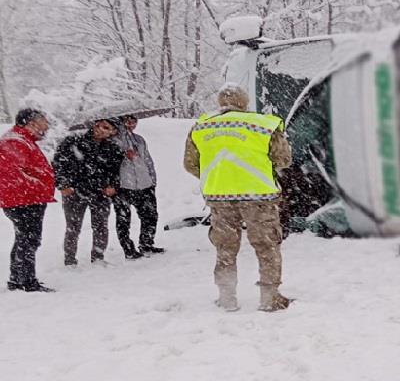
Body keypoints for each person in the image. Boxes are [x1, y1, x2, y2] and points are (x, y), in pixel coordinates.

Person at [183, 85, 292, 312]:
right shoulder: (263, 125)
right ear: (245, 102)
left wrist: (219, 177)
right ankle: (270, 297)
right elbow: (283, 160)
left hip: (219, 197)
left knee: (225, 248)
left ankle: (227, 297)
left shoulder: (201, 127)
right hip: (258, 196)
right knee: (266, 246)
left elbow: (190, 164)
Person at [54, 118, 124, 266]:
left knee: (101, 226)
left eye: (107, 128)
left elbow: (115, 172)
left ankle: (98, 256)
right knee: (73, 227)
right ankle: (70, 259)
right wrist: (63, 184)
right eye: (99, 125)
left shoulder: (113, 148)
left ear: (113, 132)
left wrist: (113, 186)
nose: (101, 129)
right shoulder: (73, 142)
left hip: (100, 193)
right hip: (74, 192)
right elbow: (58, 164)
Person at [0, 109, 56, 292]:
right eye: (43, 120)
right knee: (29, 240)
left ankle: (18, 279)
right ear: (31, 122)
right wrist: (40, 186)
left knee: (24, 239)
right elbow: (15, 174)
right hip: (23, 200)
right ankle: (26, 281)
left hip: (26, 198)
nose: (46, 125)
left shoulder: (22, 140)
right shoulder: (15, 141)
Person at [112, 115, 164, 259]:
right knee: (123, 219)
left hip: (144, 183)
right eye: (128, 120)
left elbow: (148, 160)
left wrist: (152, 180)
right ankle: (128, 249)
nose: (132, 123)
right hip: (123, 185)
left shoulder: (139, 139)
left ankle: (146, 244)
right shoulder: (113, 139)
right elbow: (108, 161)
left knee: (150, 215)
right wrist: (122, 154)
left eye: (134, 120)